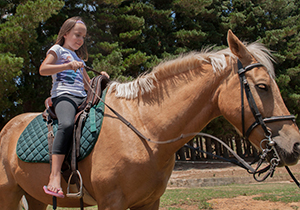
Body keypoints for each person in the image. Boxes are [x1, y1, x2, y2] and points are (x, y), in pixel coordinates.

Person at [39, 16, 109, 198]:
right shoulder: (58, 50)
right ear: (65, 33)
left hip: (82, 98)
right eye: (77, 35)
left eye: (83, 37)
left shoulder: (79, 58)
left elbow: (87, 84)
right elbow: (43, 69)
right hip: (64, 96)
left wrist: (100, 78)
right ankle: (54, 176)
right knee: (67, 124)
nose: (80, 39)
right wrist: (67, 66)